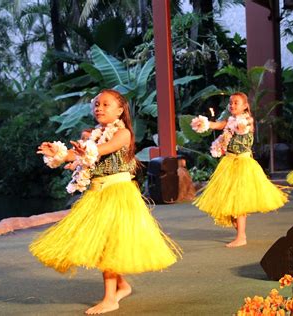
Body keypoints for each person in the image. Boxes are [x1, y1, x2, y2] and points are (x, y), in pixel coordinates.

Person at [30, 89, 181, 314]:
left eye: (105, 104)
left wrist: (84, 151)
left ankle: (111, 298)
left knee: (109, 245)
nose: (99, 108)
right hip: (97, 194)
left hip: (118, 194)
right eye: (97, 104)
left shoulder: (123, 134)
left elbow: (100, 151)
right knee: (103, 245)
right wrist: (59, 153)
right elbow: (80, 154)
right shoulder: (93, 134)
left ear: (120, 110)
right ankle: (122, 285)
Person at [190, 92, 288, 248]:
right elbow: (219, 125)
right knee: (228, 202)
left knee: (239, 201)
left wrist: (240, 126)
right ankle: (239, 229)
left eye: (236, 102)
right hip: (228, 163)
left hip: (242, 164)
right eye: (230, 102)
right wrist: (205, 124)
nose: (232, 105)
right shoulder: (230, 121)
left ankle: (241, 236)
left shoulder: (246, 121)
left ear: (245, 106)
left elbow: (242, 128)